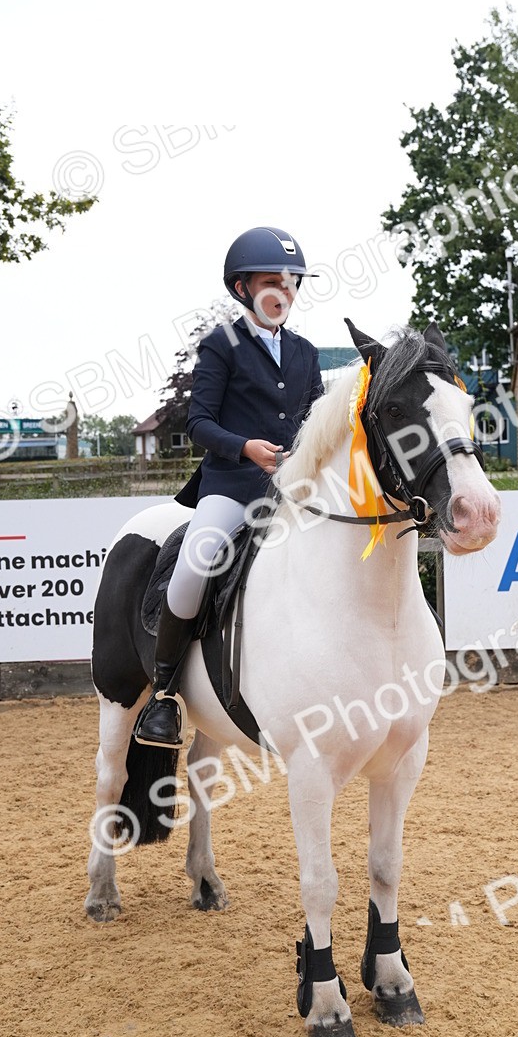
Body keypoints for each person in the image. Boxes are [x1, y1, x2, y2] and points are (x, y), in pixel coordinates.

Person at [134, 226, 324, 747]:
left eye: (290, 285)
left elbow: (316, 423)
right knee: (193, 568)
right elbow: (198, 422)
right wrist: (246, 448)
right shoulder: (222, 346)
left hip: (294, 491)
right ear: (242, 289)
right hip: (232, 486)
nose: (282, 294)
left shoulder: (306, 352)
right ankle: (165, 694)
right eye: (270, 283)